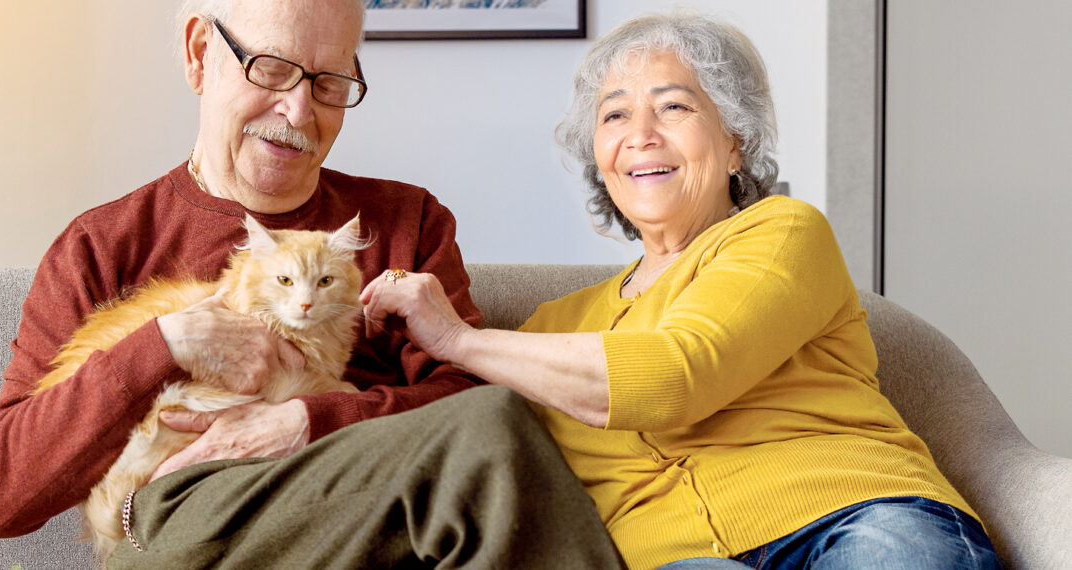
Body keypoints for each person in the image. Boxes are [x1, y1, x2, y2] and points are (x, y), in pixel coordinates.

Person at [0, 0, 625, 567]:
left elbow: (468, 407)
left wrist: (305, 421)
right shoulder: (102, 244)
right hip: (186, 513)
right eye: (271, 68)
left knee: (495, 425)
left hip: (380, 511)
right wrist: (165, 344)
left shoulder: (407, 222)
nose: (299, 109)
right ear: (200, 54)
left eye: (330, 82)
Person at [361, 11, 1003, 570]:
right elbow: (450, 432)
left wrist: (457, 338)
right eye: (616, 114)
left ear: (735, 142)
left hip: (851, 513)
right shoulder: (553, 325)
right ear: (600, 157)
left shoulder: (782, 232)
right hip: (677, 557)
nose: (641, 133)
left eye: (674, 106)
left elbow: (675, 375)